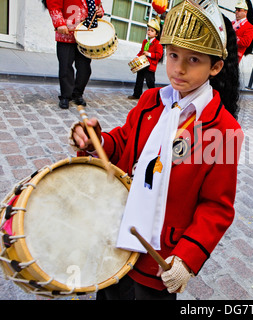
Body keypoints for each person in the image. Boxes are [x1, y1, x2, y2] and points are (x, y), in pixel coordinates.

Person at [69, 0, 243, 299]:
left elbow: (216, 207)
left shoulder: (224, 130)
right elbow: (124, 142)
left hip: (159, 256)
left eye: (194, 60)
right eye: (173, 55)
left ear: (215, 66)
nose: (178, 68)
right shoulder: (150, 100)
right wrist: (96, 140)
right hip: (118, 239)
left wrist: (187, 258)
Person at [45, 0, 104, 109]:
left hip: (85, 36)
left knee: (84, 68)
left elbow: (97, 6)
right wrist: (59, 23)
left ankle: (77, 94)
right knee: (65, 67)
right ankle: (65, 96)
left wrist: (100, 11)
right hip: (66, 35)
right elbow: (54, 6)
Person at [128, 18, 164, 100]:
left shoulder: (158, 44)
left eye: (152, 31)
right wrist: (137, 57)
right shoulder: (145, 41)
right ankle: (136, 94)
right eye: (148, 30)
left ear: (156, 34)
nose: (149, 32)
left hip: (150, 65)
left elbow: (159, 55)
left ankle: (154, 96)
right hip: (142, 63)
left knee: (150, 81)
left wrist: (149, 54)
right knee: (139, 79)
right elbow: (141, 51)